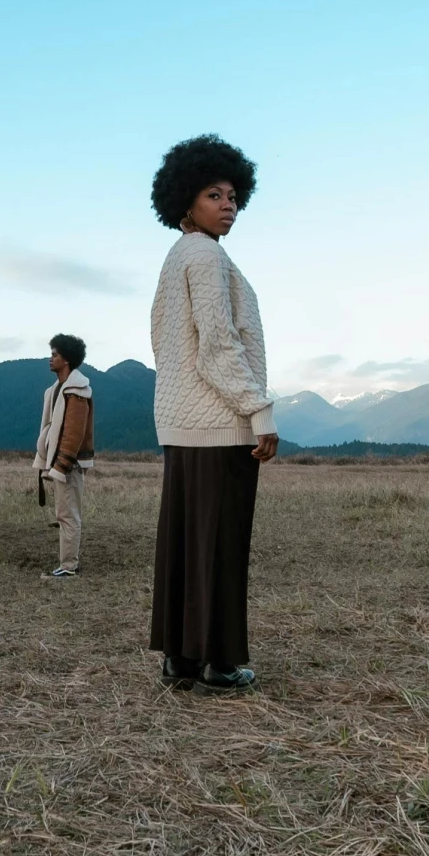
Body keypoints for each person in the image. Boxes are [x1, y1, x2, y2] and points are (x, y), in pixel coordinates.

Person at [147, 135, 275, 694]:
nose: (228, 204)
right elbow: (218, 345)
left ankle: (181, 657)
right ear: (186, 200)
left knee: (186, 546)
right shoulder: (205, 255)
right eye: (213, 194)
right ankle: (221, 663)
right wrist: (258, 410)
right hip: (219, 425)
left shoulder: (177, 257)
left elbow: (169, 345)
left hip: (183, 426)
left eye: (232, 195)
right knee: (220, 547)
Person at [34, 333, 95, 578]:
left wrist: (61, 464)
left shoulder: (77, 391)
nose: (50, 359)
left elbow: (74, 432)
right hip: (61, 463)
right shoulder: (58, 390)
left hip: (69, 465)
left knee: (68, 514)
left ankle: (69, 566)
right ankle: (67, 562)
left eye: (55, 355)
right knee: (64, 513)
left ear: (66, 359)